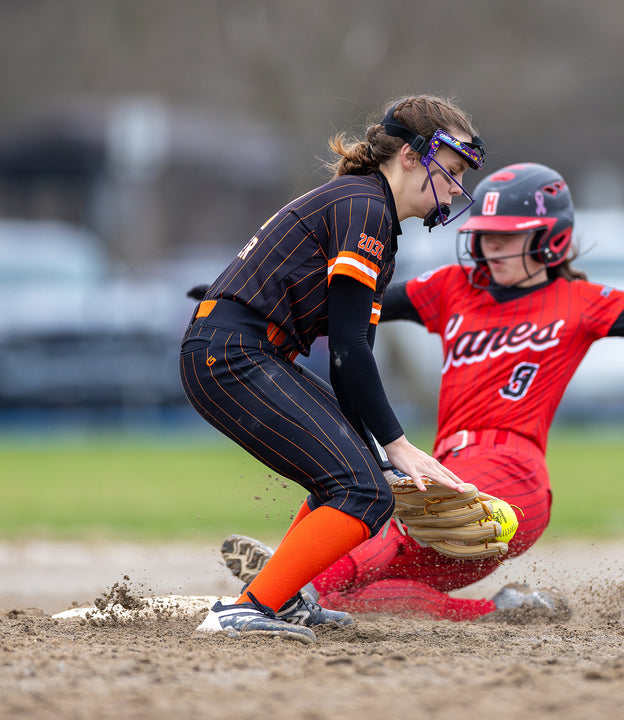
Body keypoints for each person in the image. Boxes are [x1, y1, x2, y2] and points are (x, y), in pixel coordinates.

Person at [218, 161, 624, 623]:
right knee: (360, 592)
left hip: (511, 474)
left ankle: (286, 587)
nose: (491, 246)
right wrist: (249, 302)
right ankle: (500, 613)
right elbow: (350, 305)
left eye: (509, 235)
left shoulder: (580, 302)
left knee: (375, 520)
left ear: (552, 238)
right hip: (448, 467)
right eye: (486, 233)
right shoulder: (453, 289)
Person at [182, 95, 486, 642]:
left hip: (239, 352)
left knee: (355, 477)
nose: (457, 186)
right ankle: (244, 611)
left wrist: (374, 450)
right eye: (453, 169)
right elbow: (348, 346)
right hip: (231, 353)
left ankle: (283, 598)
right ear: (413, 155)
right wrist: (394, 445)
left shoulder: (377, 221)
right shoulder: (364, 207)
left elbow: (351, 361)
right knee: (364, 491)